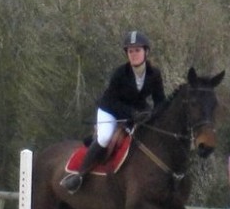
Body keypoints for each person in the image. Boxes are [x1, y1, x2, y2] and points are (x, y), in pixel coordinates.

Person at [60, 30, 166, 193]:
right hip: (110, 110)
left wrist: (155, 116)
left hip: (136, 112)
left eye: (137, 50)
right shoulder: (120, 74)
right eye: (130, 51)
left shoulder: (154, 74)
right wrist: (132, 114)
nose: (133, 54)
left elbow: (160, 101)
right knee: (104, 137)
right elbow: (112, 101)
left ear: (146, 52)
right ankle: (79, 176)